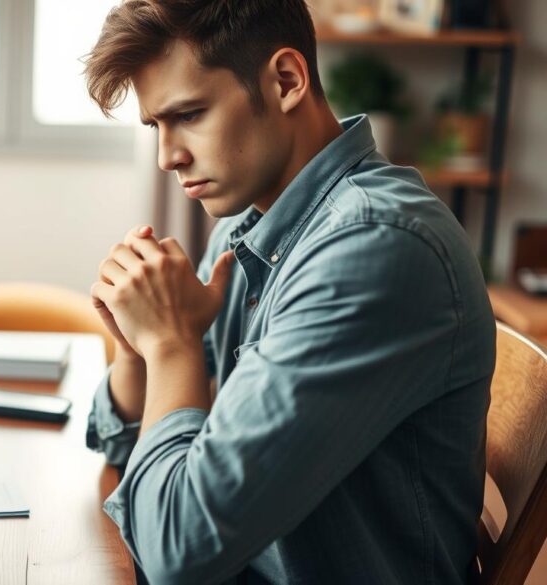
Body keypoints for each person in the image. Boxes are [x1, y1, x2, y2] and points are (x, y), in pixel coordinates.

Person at [83, 1, 497, 583]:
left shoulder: (373, 248)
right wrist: (139, 348)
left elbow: (177, 549)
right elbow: (130, 447)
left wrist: (170, 345)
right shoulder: (248, 224)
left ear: (286, 81)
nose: (167, 157)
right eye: (157, 125)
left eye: (190, 114)